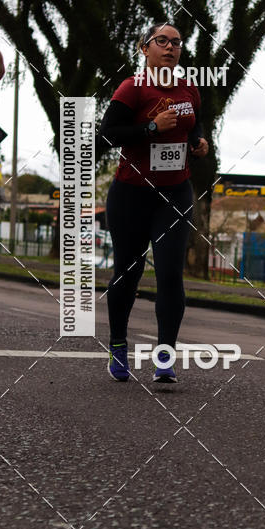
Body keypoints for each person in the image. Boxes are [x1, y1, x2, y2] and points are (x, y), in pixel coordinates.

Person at [98, 22, 209, 383]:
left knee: (170, 273)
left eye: (176, 42)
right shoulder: (131, 89)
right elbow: (108, 134)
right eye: (162, 41)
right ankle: (118, 345)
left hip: (174, 193)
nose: (170, 47)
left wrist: (199, 142)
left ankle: (165, 358)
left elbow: (195, 125)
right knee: (128, 273)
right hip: (131, 194)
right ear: (144, 49)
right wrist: (150, 129)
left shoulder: (188, 87)